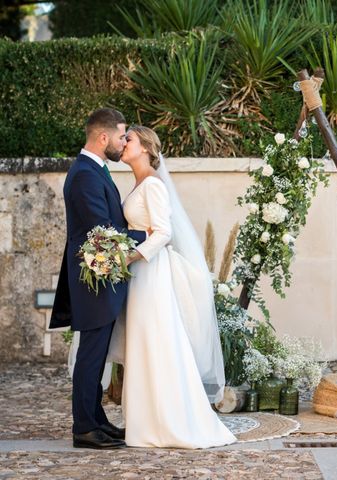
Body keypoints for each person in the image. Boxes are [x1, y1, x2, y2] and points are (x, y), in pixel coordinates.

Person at [111, 125, 235, 448]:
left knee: (158, 340)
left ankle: (172, 422)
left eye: (130, 139)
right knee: (143, 342)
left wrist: (131, 258)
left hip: (151, 273)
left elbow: (163, 233)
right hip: (140, 275)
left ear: (147, 148)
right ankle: (145, 422)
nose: (123, 143)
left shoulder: (153, 184)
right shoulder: (138, 183)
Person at [50, 108, 147, 449]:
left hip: (101, 280)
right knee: (90, 356)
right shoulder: (85, 175)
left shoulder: (93, 170)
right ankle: (84, 429)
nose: (124, 142)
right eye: (122, 136)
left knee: (96, 353)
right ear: (103, 137)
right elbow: (101, 233)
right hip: (95, 281)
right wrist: (148, 237)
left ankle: (97, 421)